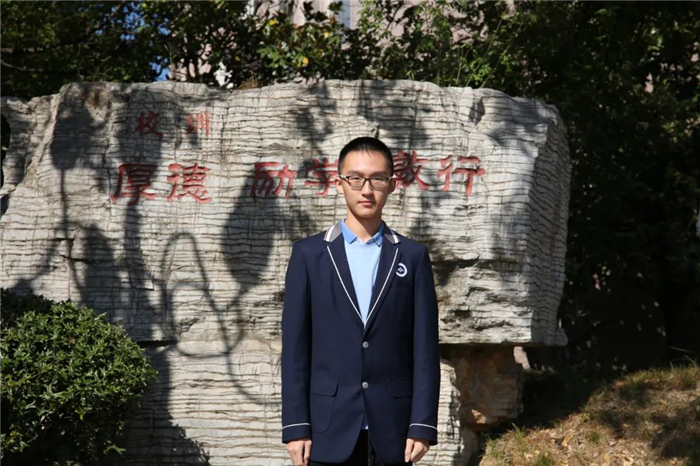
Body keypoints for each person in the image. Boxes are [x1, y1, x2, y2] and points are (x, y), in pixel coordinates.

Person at [281, 137, 440, 466]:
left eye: (377, 179)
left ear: (392, 185)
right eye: (355, 178)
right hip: (326, 429)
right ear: (339, 183)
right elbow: (295, 348)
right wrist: (296, 427)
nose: (366, 190)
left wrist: (422, 425)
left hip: (394, 430)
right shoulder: (309, 255)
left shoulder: (412, 256)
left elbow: (425, 348)